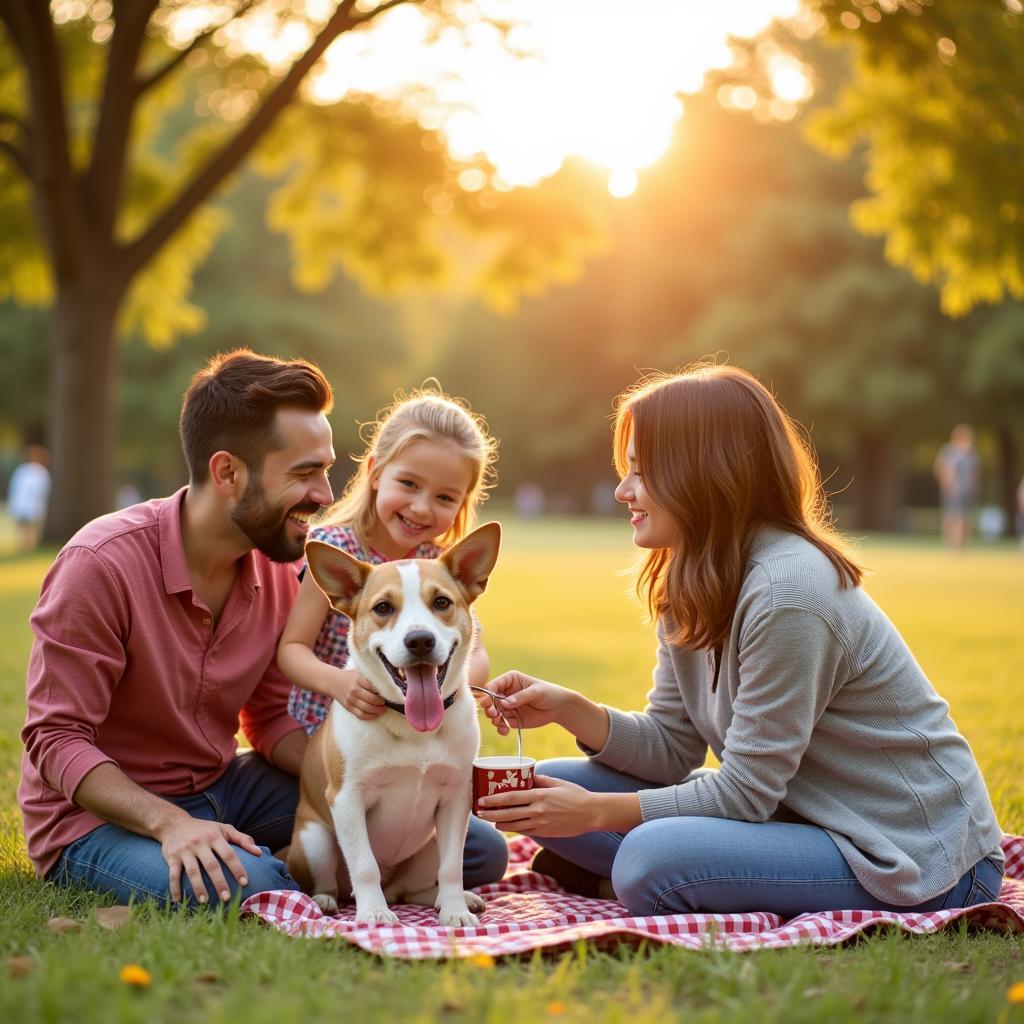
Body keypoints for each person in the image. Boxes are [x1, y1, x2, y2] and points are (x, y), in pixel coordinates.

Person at [475, 364, 1004, 919]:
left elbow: (744, 793)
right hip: (797, 816)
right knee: (546, 785)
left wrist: (592, 815)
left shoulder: (789, 593)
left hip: (909, 854)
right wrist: (570, 709)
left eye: (641, 472)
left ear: (703, 473)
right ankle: (671, 875)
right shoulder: (690, 576)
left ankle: (642, 879)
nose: (622, 490)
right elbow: (673, 749)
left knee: (648, 861)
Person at [277, 384, 507, 873]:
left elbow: (477, 652)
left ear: (463, 501)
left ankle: (405, 886)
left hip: (418, 741)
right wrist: (341, 684)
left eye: (444, 496)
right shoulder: (338, 551)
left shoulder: (438, 566)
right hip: (332, 744)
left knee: (486, 850)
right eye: (409, 484)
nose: (423, 507)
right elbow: (292, 649)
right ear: (376, 473)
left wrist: (460, 684)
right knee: (330, 815)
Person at [933, 424, 981, 550]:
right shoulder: (948, 451)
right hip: (953, 491)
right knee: (953, 517)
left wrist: (974, 487)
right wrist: (948, 485)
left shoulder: (971, 453)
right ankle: (952, 545)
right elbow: (941, 468)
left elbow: (975, 472)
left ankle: (962, 545)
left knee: (966, 518)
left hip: (967, 491)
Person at [7, 444, 52, 552]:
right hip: (22, 503)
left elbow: (43, 489)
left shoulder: (41, 472)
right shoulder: (23, 470)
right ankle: (24, 545)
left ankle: (30, 546)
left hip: (34, 504)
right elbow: (16, 487)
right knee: (23, 525)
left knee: (32, 526)